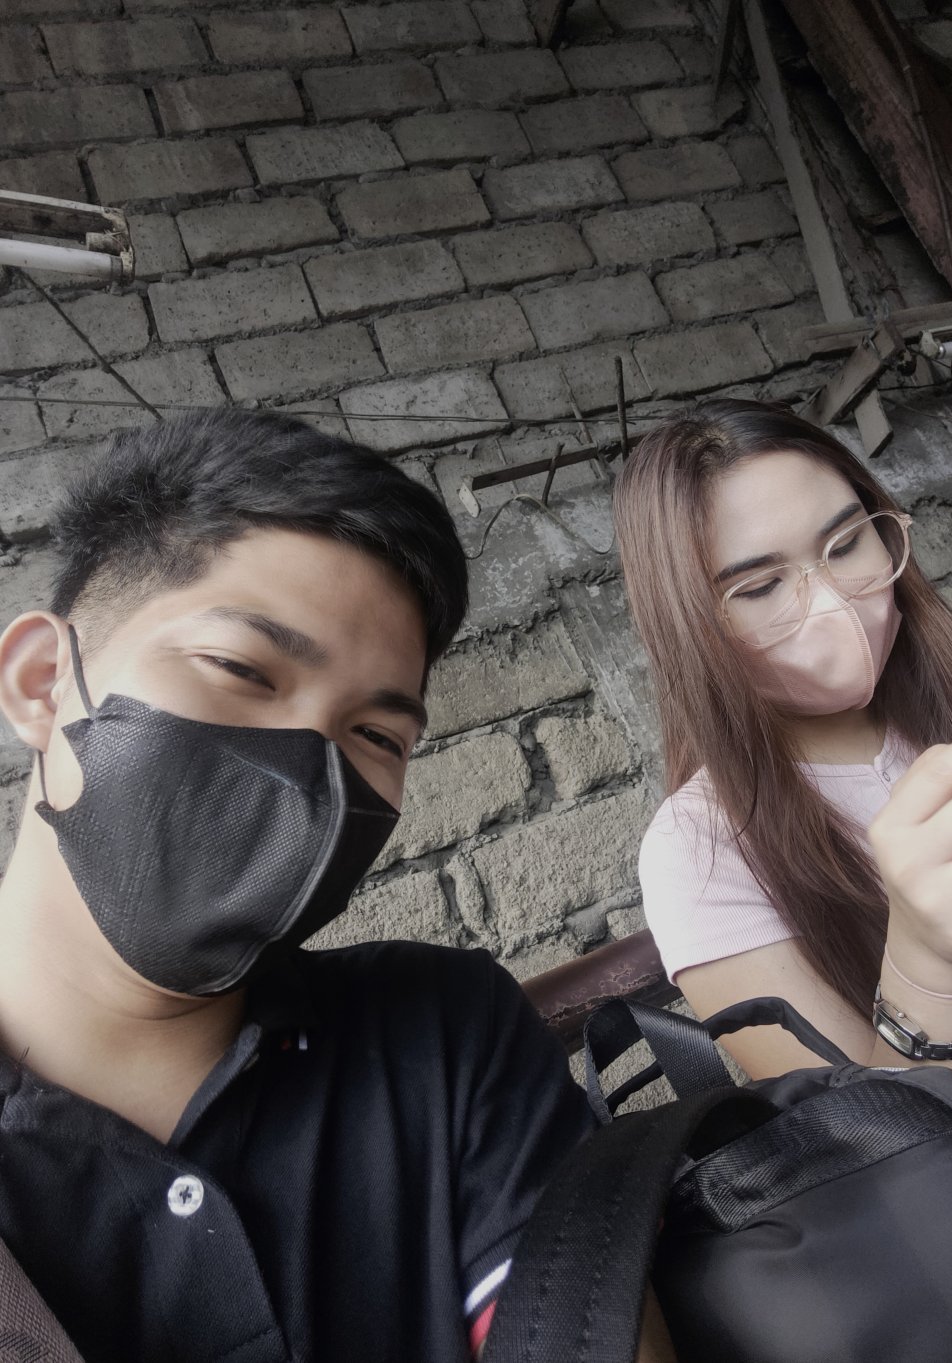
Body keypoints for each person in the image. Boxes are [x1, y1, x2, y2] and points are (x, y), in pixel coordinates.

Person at [0, 410, 677, 1363]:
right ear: (40, 682)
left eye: (376, 735)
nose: (309, 773)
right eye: (241, 668)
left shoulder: (442, 1033)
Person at [614, 398, 952, 1091]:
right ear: (689, 626)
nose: (836, 603)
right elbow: (875, 1141)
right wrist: (932, 963)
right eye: (760, 586)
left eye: (846, 544)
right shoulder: (701, 852)